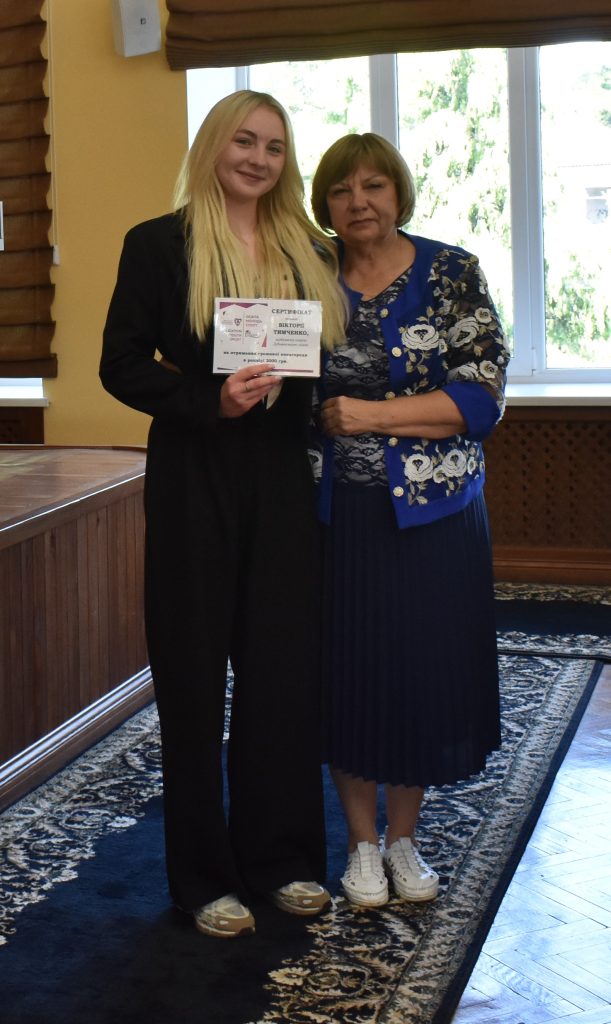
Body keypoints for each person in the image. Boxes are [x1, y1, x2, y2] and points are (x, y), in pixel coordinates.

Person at [100, 91, 347, 937]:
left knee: (281, 676)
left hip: (280, 479)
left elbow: (324, 363)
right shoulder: (156, 243)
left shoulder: (309, 247)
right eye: (244, 140)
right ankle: (204, 879)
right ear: (213, 145)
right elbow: (120, 364)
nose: (258, 159)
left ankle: (282, 860)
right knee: (194, 679)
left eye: (274, 147)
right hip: (192, 475)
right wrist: (209, 399)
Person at [309, 133, 510, 908]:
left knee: (420, 672)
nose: (357, 202)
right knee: (349, 672)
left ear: (397, 192)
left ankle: (403, 838)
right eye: (340, 190)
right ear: (323, 204)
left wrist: (364, 415)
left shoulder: (451, 271)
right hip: (334, 516)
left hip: (434, 516)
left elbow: (478, 401)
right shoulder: (305, 275)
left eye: (373, 186)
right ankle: (361, 844)